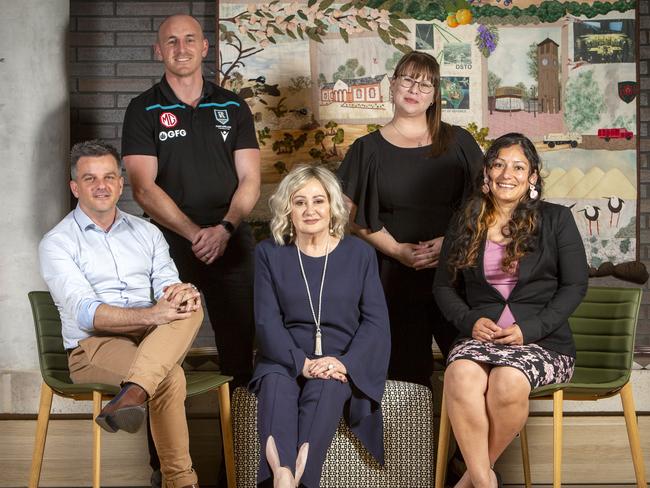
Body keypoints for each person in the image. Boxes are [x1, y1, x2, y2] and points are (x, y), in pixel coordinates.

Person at [39, 140, 204, 488]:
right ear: (75, 187)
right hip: (93, 347)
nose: (101, 185)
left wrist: (180, 295)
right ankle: (182, 482)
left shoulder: (147, 232)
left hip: (151, 341)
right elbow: (88, 315)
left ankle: (132, 393)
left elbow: (167, 286)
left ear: (120, 183)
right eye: (90, 178)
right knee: (170, 379)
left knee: (191, 305)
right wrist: (155, 316)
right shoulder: (58, 242)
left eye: (109, 176)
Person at [433, 133, 588, 488]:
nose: (508, 173)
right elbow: (442, 286)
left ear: (532, 176)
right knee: (460, 375)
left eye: (519, 166)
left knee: (507, 380)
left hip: (542, 340)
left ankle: (470, 480)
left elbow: (575, 286)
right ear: (487, 172)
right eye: (499, 164)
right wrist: (470, 320)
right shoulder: (464, 221)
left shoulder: (557, 219)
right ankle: (486, 482)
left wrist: (528, 330)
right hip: (480, 337)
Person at [121, 14, 260, 389]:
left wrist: (225, 229)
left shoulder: (233, 106)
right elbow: (143, 188)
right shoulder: (143, 108)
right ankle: (164, 450)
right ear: (158, 51)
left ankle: (241, 446)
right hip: (169, 244)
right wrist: (197, 233)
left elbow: (250, 179)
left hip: (231, 240)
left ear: (204, 47)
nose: (180, 48)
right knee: (162, 346)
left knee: (240, 347)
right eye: (171, 41)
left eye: (188, 40)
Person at [337, 50, 483, 387]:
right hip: (392, 277)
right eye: (408, 79)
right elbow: (347, 216)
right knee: (404, 374)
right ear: (392, 85)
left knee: (470, 369)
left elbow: (486, 204)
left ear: (435, 96)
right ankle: (411, 441)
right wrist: (397, 250)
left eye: (425, 84)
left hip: (456, 273)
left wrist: (449, 244)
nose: (414, 89)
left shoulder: (459, 141)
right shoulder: (366, 149)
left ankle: (466, 443)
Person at [251, 165, 390, 488]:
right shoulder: (269, 253)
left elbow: (375, 322)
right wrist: (301, 363)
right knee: (274, 384)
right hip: (283, 356)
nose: (310, 210)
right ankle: (283, 474)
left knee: (326, 387)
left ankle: (294, 478)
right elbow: (266, 319)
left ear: (332, 206)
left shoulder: (360, 253)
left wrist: (344, 362)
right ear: (288, 208)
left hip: (337, 360)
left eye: (319, 201)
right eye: (300, 202)